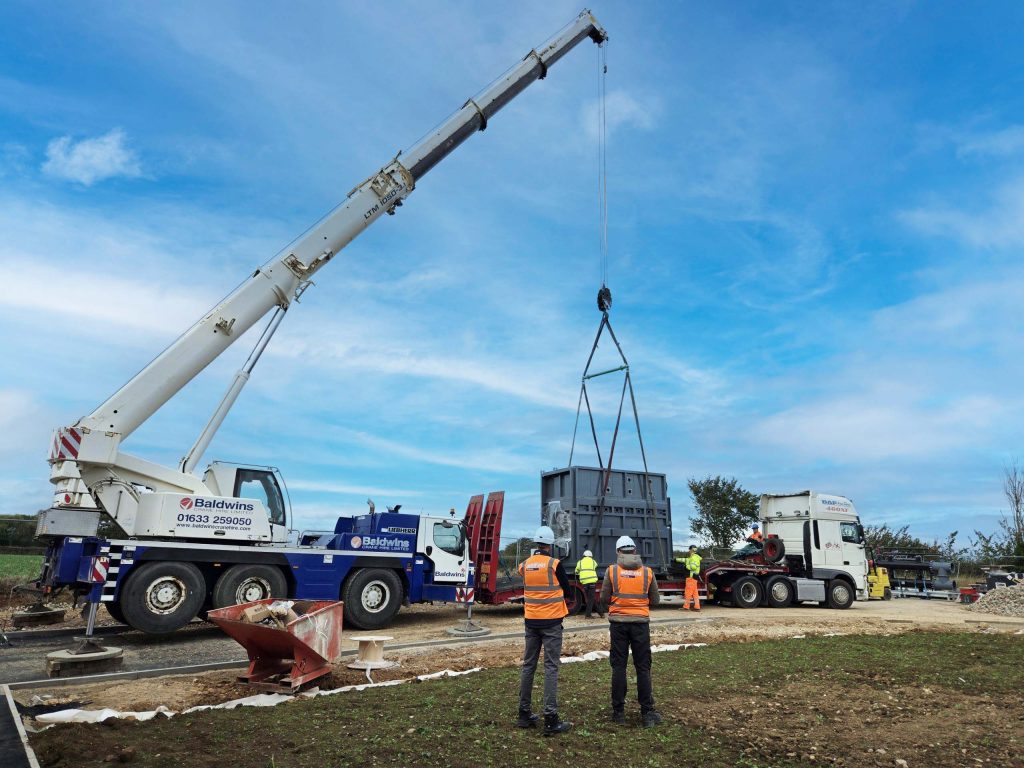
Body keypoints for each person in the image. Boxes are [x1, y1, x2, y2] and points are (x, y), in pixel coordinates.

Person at [600, 535, 662, 728]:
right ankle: (647, 714)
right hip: (640, 625)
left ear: (618, 551)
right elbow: (656, 600)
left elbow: (603, 598)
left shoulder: (611, 571)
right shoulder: (647, 572)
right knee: (643, 667)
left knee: (619, 667)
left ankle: (618, 713)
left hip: (618, 624)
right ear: (634, 551)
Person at [516, 525, 572, 736]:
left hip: (531, 621)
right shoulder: (554, 564)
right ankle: (550, 718)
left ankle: (524, 714)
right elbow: (566, 590)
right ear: (551, 544)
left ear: (536, 544)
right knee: (550, 667)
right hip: (551, 622)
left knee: (528, 665)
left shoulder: (525, 565)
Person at [575, 549, 603, 618]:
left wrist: (579, 572)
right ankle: (589, 615)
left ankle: (600, 614)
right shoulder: (593, 561)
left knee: (591, 598)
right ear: (591, 556)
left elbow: (576, 570)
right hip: (592, 582)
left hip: (584, 583)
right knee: (591, 599)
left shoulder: (580, 562)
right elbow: (595, 566)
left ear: (584, 555)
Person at [681, 544, 701, 611]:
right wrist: (676, 559)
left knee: (688, 592)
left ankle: (686, 607)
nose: (689, 551)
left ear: (691, 550)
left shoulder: (693, 557)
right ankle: (697, 607)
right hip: (694, 577)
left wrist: (686, 566)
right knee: (695, 593)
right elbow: (685, 560)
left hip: (691, 577)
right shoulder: (695, 557)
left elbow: (693, 567)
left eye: (689, 550)